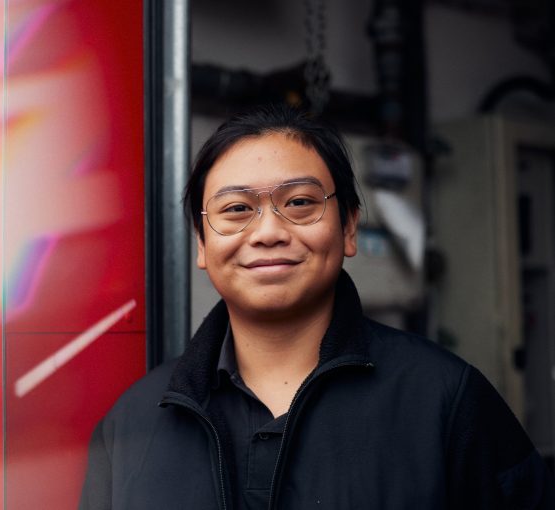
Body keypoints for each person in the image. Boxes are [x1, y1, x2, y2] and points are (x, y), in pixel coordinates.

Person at [79, 103, 555, 509]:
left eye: (301, 202)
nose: (268, 232)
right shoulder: (130, 427)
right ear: (202, 245)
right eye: (237, 209)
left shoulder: (446, 401)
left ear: (348, 228)